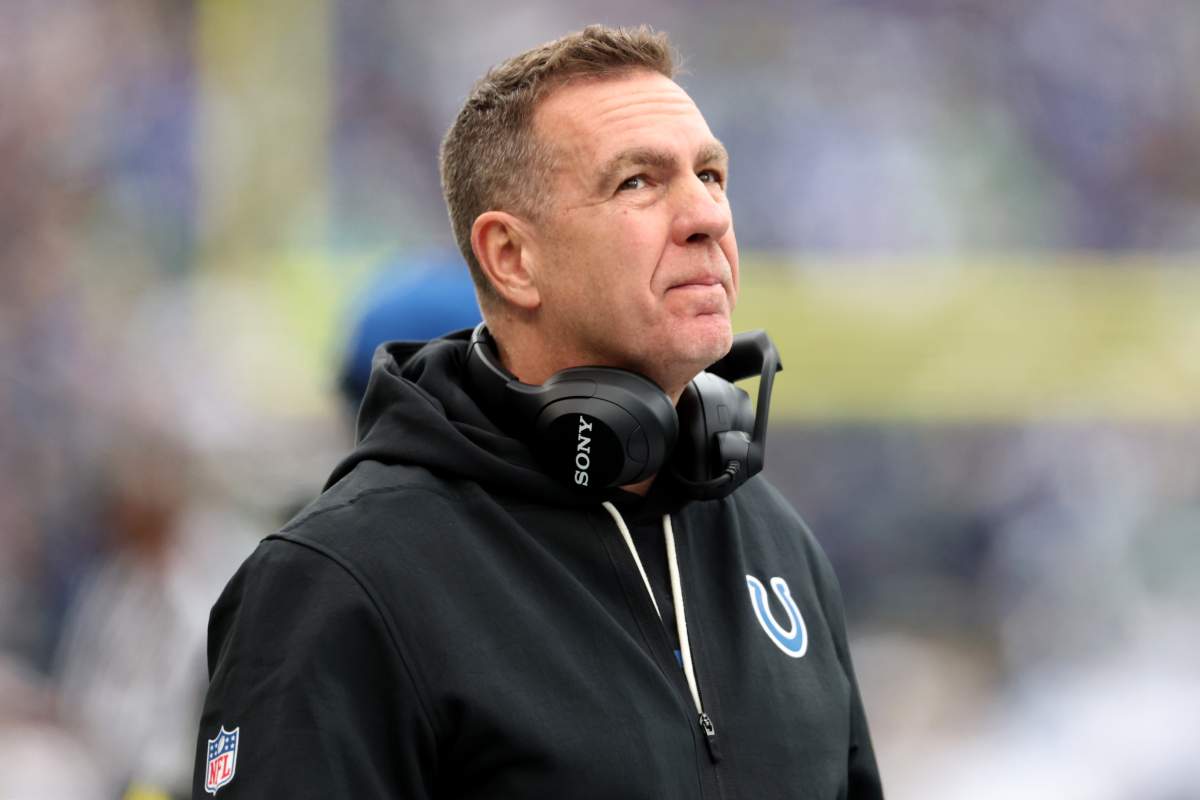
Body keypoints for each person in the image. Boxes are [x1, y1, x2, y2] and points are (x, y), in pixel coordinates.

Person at [194, 25, 882, 798]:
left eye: (711, 175)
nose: (707, 216)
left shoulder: (776, 543)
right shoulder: (345, 579)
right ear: (512, 258)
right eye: (638, 182)